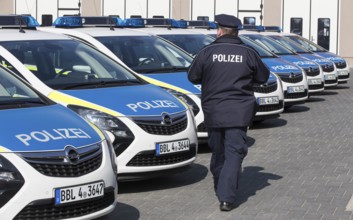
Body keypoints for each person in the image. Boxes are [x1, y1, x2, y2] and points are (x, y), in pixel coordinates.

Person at [187, 14, 270, 211]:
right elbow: (263, 76)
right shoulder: (248, 52)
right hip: (239, 113)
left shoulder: (207, 52)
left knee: (219, 152)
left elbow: (192, 76)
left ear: (219, 30)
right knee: (234, 153)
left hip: (214, 112)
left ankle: (224, 192)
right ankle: (225, 194)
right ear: (236, 31)